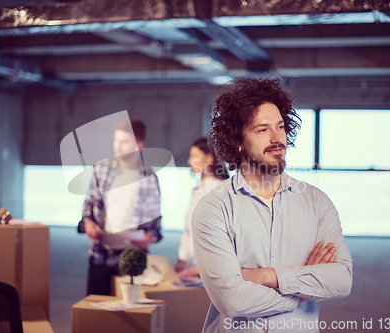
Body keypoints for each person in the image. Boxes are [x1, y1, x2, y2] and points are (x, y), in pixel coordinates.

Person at [192, 78, 352, 332]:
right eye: (262, 129)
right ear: (237, 141)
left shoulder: (316, 201)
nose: (278, 139)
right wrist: (300, 291)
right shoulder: (213, 209)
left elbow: (341, 281)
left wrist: (267, 276)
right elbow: (232, 301)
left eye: (280, 127)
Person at [80, 119, 162, 296]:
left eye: (124, 142)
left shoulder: (149, 176)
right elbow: (88, 205)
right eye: (116, 140)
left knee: (129, 314)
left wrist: (149, 238)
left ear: (139, 145)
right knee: (96, 310)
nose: (118, 146)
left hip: (133, 257)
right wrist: (88, 223)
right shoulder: (101, 170)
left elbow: (156, 223)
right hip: (101, 253)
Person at [174, 137, 229, 278]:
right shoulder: (198, 189)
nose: (189, 161)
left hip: (212, 270)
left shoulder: (221, 189)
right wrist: (182, 259)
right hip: (194, 268)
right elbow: (189, 228)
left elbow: (221, 235)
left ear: (209, 157)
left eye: (194, 156)